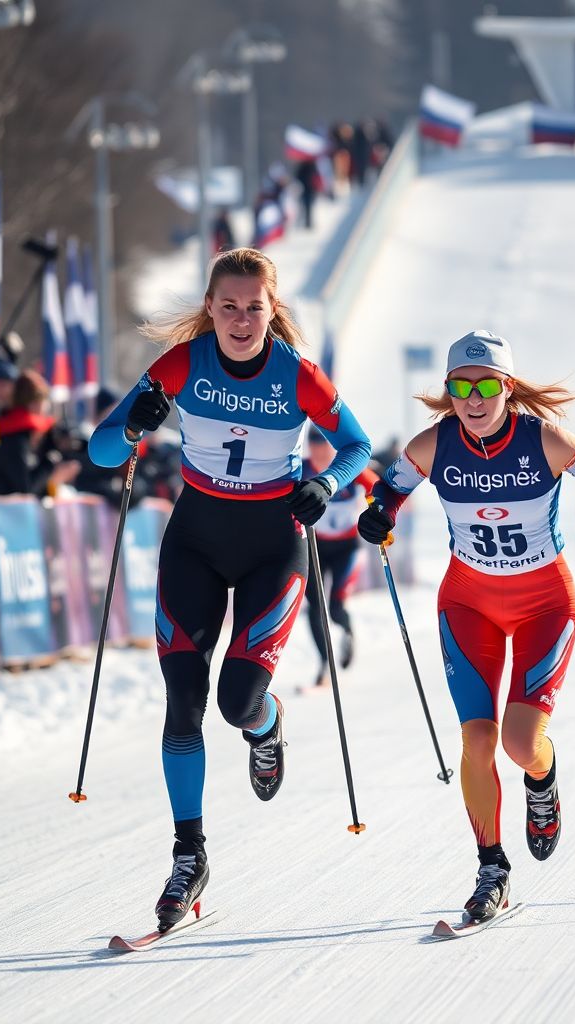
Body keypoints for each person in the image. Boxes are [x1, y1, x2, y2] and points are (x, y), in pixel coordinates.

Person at [89, 247, 372, 932]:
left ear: (272, 310)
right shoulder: (181, 365)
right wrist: (135, 422)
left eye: (254, 307)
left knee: (235, 702)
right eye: (229, 306)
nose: (242, 320)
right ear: (209, 308)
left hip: (273, 546)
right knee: (183, 701)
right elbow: (100, 452)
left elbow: (359, 446)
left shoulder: (298, 374)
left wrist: (325, 482)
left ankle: (266, 727)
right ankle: (190, 857)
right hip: (195, 542)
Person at [357, 330, 575, 924]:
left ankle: (543, 777)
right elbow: (390, 488)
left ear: (507, 388)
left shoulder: (548, 440)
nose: (474, 398)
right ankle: (492, 869)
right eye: (461, 386)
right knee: (477, 741)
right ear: (450, 390)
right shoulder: (432, 446)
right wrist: (379, 512)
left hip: (544, 603)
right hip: (468, 602)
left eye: (487, 385)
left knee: (518, 744)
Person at [301, 427, 378, 687]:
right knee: (314, 607)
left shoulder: (347, 468)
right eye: (313, 443)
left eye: (323, 444)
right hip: (315, 548)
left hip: (347, 547)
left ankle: (346, 630)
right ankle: (325, 665)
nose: (318, 450)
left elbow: (381, 490)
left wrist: (380, 515)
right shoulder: (301, 469)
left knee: (335, 607)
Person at [0, 369, 81, 497]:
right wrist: (50, 462)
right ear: (34, 404)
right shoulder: (14, 437)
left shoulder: (12, 429)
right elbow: (26, 489)